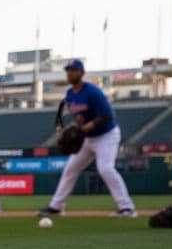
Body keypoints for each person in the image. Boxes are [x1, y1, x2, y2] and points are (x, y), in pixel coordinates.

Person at [38, 59, 137, 218]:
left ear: (82, 73)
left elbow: (106, 116)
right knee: (70, 169)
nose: (70, 73)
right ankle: (56, 207)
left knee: (105, 168)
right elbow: (79, 117)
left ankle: (127, 208)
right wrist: (68, 129)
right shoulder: (70, 94)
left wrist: (84, 128)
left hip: (106, 136)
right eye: (68, 70)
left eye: (73, 70)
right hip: (87, 138)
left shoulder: (93, 92)